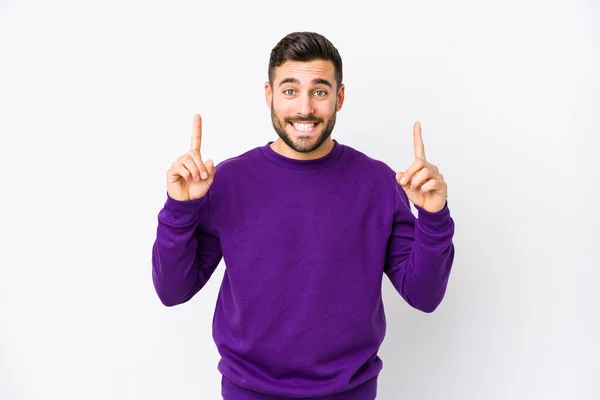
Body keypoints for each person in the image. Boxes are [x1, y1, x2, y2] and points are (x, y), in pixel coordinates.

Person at [151, 31, 455, 400]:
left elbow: (424, 296)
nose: (305, 108)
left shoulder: (377, 183)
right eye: (290, 90)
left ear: (339, 98)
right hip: (248, 391)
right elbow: (172, 290)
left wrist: (434, 217)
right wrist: (179, 208)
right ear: (270, 95)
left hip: (350, 391)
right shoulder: (226, 181)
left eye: (320, 91)